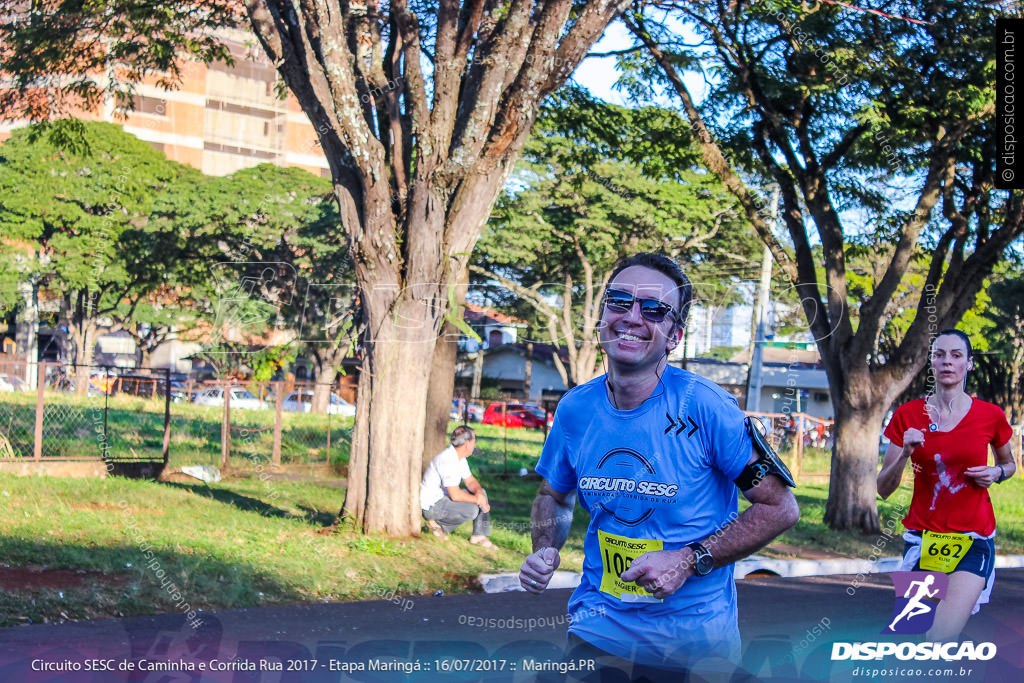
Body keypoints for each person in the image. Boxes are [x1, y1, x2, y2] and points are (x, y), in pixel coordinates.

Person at [517, 253, 800, 674]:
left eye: (653, 309)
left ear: (674, 335)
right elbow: (553, 495)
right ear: (601, 318)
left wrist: (687, 559)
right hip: (598, 626)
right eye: (618, 302)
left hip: (693, 642)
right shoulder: (576, 408)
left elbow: (780, 507)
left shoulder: (707, 407)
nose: (632, 317)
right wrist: (544, 549)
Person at [877, 329, 1015, 641]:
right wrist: (906, 455)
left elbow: (1010, 464)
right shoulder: (908, 415)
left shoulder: (990, 416)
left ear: (969, 363)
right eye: (939, 355)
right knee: (913, 631)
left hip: (972, 539)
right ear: (932, 363)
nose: (947, 362)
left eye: (956, 355)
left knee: (941, 634)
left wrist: (997, 473)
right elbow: (884, 488)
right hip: (922, 539)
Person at [421, 425, 496, 548]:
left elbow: (470, 481)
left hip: (443, 499)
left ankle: (479, 536)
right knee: (472, 510)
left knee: (481, 492)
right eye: (474, 441)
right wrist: (477, 500)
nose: (474, 445)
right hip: (433, 505)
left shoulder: (459, 458)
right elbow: (455, 495)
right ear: (467, 444)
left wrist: (479, 494)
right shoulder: (447, 459)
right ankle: (435, 524)